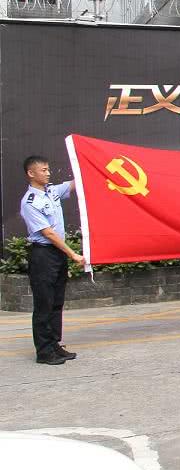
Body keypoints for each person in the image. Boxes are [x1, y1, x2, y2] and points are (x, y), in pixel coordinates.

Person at [20, 155, 84, 365]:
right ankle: (44, 351)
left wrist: (89, 163)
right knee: (44, 303)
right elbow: (48, 233)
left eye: (48, 169)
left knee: (57, 302)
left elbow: (75, 184)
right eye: (44, 170)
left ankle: (54, 344)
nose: (48, 173)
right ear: (31, 173)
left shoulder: (52, 191)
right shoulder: (30, 202)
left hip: (57, 255)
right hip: (43, 255)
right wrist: (72, 254)